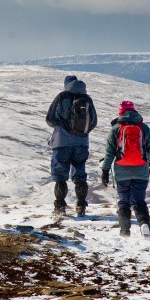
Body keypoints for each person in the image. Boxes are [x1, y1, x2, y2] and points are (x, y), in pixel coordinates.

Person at [100, 100, 150, 237]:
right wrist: (148, 162)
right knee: (139, 201)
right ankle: (144, 225)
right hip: (141, 170)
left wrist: (105, 170)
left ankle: (124, 231)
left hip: (121, 171)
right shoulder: (143, 127)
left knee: (124, 202)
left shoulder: (115, 129)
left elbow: (109, 153)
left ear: (121, 112)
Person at [46, 75, 98, 216]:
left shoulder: (62, 97)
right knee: (80, 174)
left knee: (60, 176)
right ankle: (81, 206)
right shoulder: (87, 99)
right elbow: (93, 122)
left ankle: (60, 207)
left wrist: (62, 125)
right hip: (82, 144)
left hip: (62, 142)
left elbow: (50, 119)